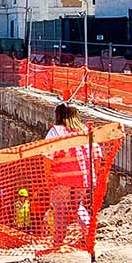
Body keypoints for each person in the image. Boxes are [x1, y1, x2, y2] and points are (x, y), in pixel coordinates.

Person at [42, 104, 96, 253]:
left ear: (58, 115)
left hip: (61, 177)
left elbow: (47, 156)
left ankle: (58, 242)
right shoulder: (85, 131)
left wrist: (48, 178)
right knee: (76, 206)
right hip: (83, 177)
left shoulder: (56, 132)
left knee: (60, 209)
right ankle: (89, 235)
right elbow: (96, 154)